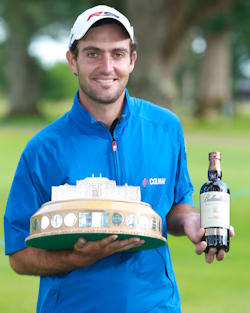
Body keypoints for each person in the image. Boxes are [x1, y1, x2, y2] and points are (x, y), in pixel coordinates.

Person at [4, 5, 234, 313]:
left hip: (156, 304)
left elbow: (178, 205)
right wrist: (76, 259)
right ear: (72, 60)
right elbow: (19, 254)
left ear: (132, 59)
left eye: (117, 53)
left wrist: (191, 221)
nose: (107, 66)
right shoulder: (42, 149)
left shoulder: (166, 128)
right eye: (93, 54)